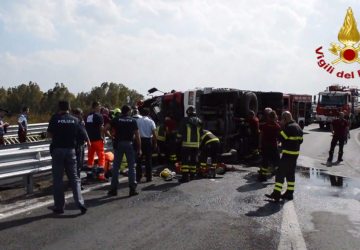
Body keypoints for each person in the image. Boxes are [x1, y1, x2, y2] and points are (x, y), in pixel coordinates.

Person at [47, 101, 87, 215]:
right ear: (69, 108)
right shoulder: (75, 120)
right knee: (74, 178)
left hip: (58, 150)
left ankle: (59, 206)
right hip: (71, 150)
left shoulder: (55, 119)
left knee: (58, 179)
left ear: (59, 108)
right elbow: (82, 135)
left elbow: (49, 133)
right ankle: (80, 203)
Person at [104, 105, 141, 197]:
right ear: (128, 111)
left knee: (116, 167)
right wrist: (139, 148)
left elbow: (105, 128)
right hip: (129, 144)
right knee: (132, 167)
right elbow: (137, 136)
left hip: (118, 144)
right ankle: (132, 189)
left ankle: (113, 189)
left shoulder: (116, 119)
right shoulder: (133, 120)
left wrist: (111, 136)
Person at [265, 111, 303, 201]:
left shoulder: (289, 128)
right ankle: (290, 193)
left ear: (285, 119)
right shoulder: (298, 127)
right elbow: (301, 141)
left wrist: (282, 127)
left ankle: (276, 194)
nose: (281, 120)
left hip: (287, 155)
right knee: (290, 174)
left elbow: (280, 137)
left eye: (282, 119)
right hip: (294, 156)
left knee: (280, 173)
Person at [177, 106, 203, 182]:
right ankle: (192, 176)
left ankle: (185, 177)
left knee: (185, 161)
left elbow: (180, 131)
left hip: (186, 144)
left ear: (188, 112)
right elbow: (201, 133)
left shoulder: (184, 120)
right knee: (193, 160)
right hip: (196, 145)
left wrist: (178, 138)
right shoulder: (199, 121)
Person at [85, 101, 105, 180]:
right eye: (99, 106)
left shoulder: (87, 116)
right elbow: (101, 128)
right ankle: (101, 175)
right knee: (101, 157)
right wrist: (103, 137)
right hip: (97, 139)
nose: (100, 108)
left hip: (90, 139)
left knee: (90, 157)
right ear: (96, 106)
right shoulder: (99, 116)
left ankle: (89, 174)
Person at [258, 111, 281, 181]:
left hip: (266, 146)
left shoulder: (265, 125)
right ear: (275, 117)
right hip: (274, 146)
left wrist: (259, 144)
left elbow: (260, 135)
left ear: (268, 117)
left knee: (265, 161)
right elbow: (279, 137)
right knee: (276, 161)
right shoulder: (277, 126)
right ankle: (278, 176)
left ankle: (263, 176)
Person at [136, 108, 157, 182]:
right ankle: (149, 177)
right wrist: (155, 143)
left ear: (141, 113)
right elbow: (154, 134)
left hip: (139, 141)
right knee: (148, 160)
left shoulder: (137, 121)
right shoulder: (151, 122)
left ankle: (138, 177)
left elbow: (135, 133)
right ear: (148, 114)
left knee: (139, 160)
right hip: (148, 141)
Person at [72, 108, 91, 190]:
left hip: (78, 145)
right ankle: (77, 183)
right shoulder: (76, 123)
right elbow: (84, 133)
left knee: (78, 165)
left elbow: (84, 133)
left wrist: (88, 141)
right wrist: (88, 142)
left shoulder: (80, 123)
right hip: (77, 146)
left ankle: (75, 182)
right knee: (77, 165)